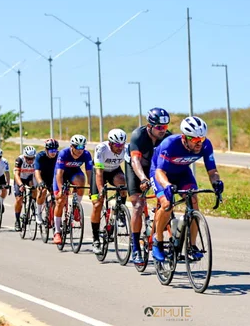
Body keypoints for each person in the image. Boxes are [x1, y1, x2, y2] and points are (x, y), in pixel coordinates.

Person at [149, 116, 224, 262]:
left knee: (194, 201)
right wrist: (167, 186)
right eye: (195, 140)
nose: (199, 143)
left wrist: (217, 182)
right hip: (160, 173)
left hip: (182, 172)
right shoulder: (169, 144)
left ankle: (191, 246)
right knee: (166, 204)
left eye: (201, 139)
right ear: (184, 137)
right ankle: (157, 241)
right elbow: (159, 172)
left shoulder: (206, 145)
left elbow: (212, 171)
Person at [124, 107, 171, 265]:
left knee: (167, 201)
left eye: (165, 127)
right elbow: (135, 162)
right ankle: (135, 246)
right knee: (138, 204)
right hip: (136, 168)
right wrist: (143, 179)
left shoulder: (167, 138)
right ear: (149, 126)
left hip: (155, 169)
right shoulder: (139, 135)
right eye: (159, 127)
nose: (162, 131)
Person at [90, 129, 127, 255]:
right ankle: (95, 240)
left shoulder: (126, 149)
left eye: (122, 145)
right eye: (117, 145)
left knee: (123, 184)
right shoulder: (101, 149)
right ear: (110, 143)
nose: (120, 148)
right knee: (97, 204)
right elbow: (99, 173)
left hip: (114, 171)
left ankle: (120, 212)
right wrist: (101, 190)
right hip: (100, 172)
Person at [52, 135, 93, 245]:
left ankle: (76, 207)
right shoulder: (64, 153)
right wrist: (61, 190)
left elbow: (89, 173)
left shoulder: (86, 154)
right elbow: (59, 174)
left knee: (81, 180)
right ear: (71, 146)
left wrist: (91, 187)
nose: (80, 150)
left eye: (82, 147)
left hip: (74, 173)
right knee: (60, 200)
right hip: (61, 175)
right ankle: (57, 232)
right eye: (77, 147)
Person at [34, 138, 59, 225]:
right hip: (42, 177)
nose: (53, 152)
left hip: (54, 178)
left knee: (59, 196)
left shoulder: (59, 156)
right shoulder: (40, 156)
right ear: (46, 150)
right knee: (42, 190)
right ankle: (38, 212)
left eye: (55, 150)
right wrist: (40, 182)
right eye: (51, 150)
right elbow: (37, 171)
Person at [13, 146, 37, 231]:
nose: (30, 161)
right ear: (24, 156)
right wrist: (20, 185)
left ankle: (33, 204)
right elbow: (16, 174)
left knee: (35, 189)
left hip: (30, 177)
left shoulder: (37, 159)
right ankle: (17, 220)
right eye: (28, 158)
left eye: (32, 158)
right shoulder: (19, 160)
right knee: (19, 199)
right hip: (20, 178)